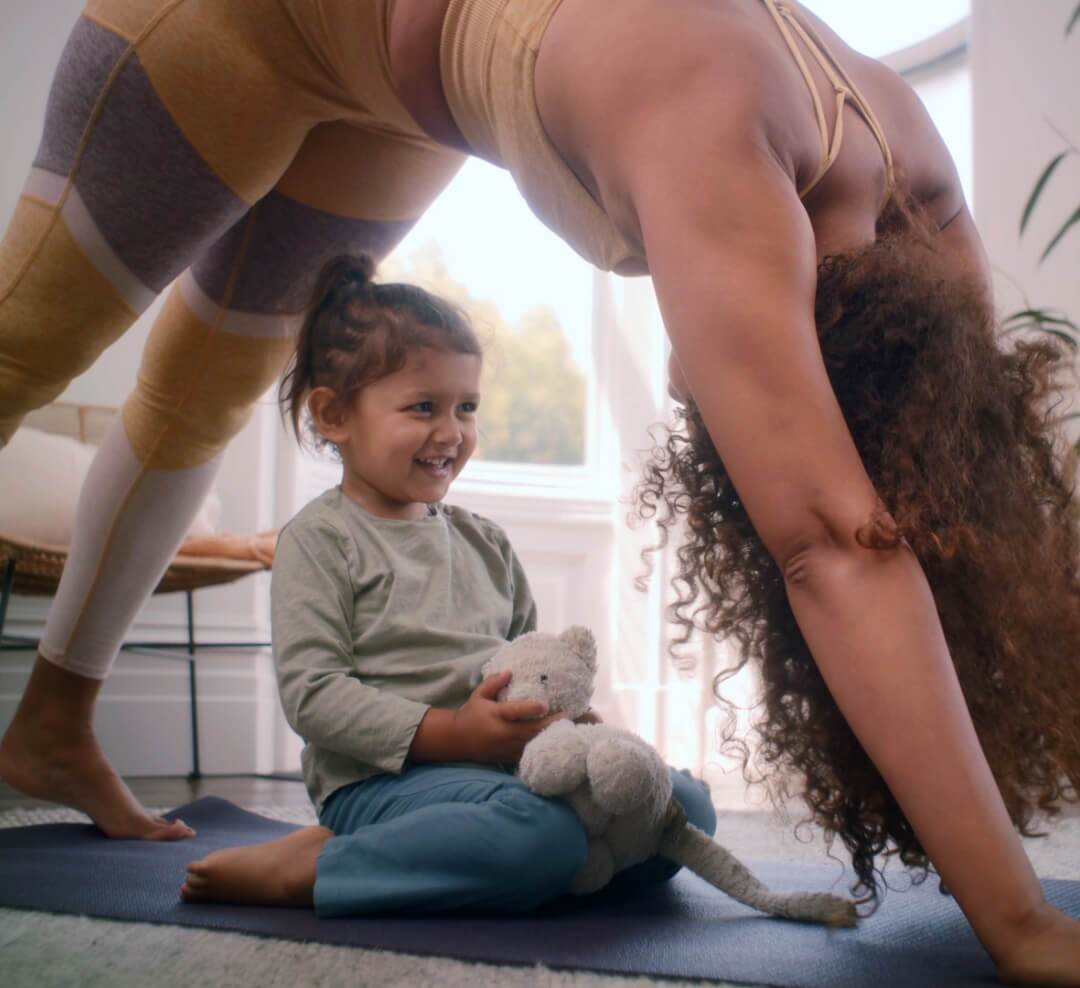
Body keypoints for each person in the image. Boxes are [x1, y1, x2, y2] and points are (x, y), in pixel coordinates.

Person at [0, 0, 1075, 979]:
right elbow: (839, 544)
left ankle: (52, 724)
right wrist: (1021, 923)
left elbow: (984, 523)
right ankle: (297, 841)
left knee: (211, 389)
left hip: (386, 86)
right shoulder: (720, 130)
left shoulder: (912, 165)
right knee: (23, 352)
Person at [178, 256, 718, 913]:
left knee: (681, 805)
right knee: (538, 835)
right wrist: (453, 734)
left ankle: (553, 863)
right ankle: (322, 864)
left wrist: (566, 720)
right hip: (383, 787)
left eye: (466, 407)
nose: (452, 432)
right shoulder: (320, 541)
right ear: (334, 416)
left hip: (506, 774)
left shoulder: (485, 542)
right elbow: (314, 696)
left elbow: (528, 661)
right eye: (423, 407)